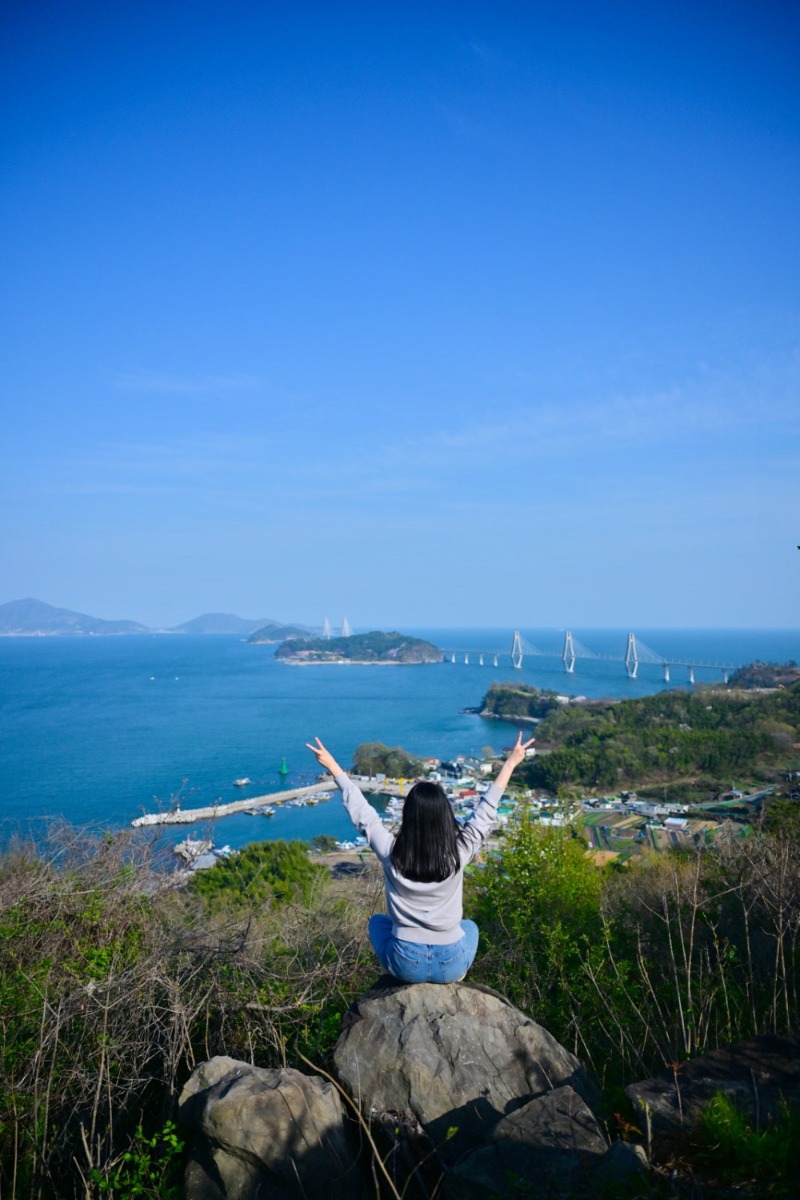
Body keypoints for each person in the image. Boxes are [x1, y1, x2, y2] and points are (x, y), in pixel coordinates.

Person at [306, 732, 535, 984]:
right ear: (445, 816)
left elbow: (363, 814)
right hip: (451, 964)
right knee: (470, 927)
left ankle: (398, 978)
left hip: (406, 964)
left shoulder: (392, 853)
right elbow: (485, 811)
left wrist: (334, 768)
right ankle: (455, 976)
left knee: (376, 923)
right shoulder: (459, 853)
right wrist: (511, 763)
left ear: (409, 816)